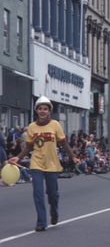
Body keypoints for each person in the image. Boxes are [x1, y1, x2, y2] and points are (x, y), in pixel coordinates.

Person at [8, 96, 80, 232]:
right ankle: (41, 222)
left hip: (52, 164)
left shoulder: (55, 125)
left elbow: (64, 143)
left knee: (53, 194)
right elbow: (28, 147)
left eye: (45, 109)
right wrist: (17, 158)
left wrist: (73, 157)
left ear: (49, 111)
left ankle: (54, 212)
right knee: (38, 194)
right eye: (40, 109)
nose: (42, 111)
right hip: (36, 163)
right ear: (36, 110)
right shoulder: (32, 127)